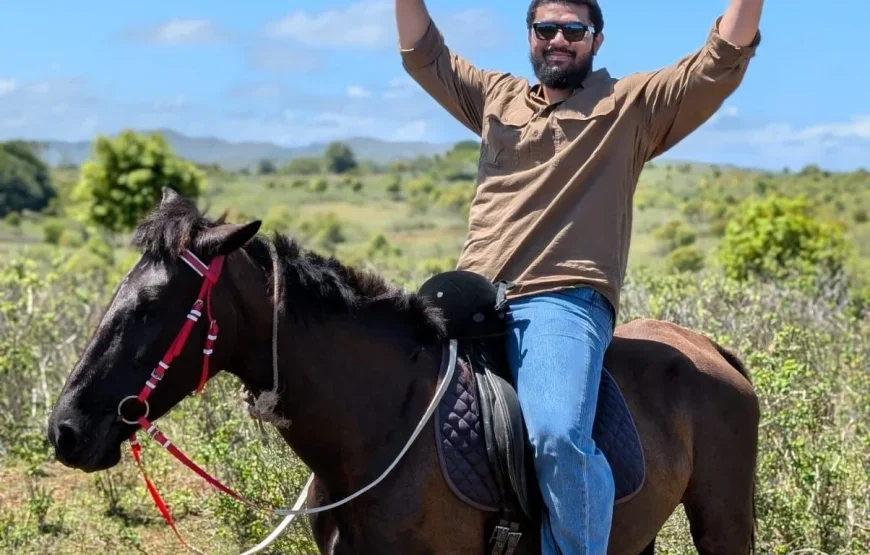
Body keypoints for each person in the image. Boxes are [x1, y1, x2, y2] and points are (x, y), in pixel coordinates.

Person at [395, 0, 763, 553]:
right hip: (469, 295)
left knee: (556, 434)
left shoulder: (631, 105)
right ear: (530, 36)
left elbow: (719, 60)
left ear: (596, 39)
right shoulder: (497, 97)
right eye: (547, 28)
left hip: (560, 300)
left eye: (574, 29)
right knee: (376, 404)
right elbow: (425, 56)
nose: (559, 39)